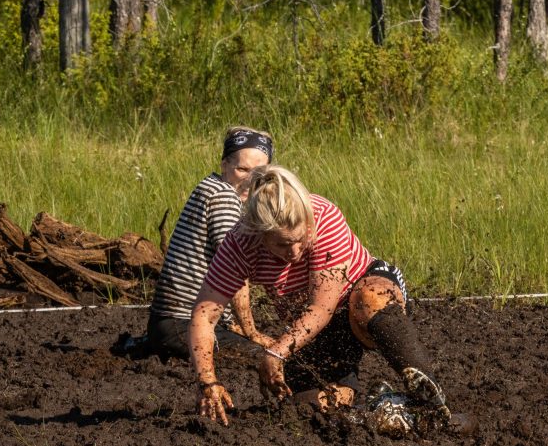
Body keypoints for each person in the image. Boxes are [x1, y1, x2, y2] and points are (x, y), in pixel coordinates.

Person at [189, 165, 454, 429]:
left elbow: (321, 308)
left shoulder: (323, 216)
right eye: (282, 244)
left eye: (300, 238)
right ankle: (380, 410)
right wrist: (207, 382)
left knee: (370, 298)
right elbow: (203, 315)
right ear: (260, 234)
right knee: (310, 412)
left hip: (358, 297)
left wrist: (276, 352)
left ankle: (432, 401)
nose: (295, 251)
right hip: (315, 329)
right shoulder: (239, 244)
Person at [120, 126, 275, 360]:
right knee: (262, 356)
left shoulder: (210, 186)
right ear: (224, 165)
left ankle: (148, 344)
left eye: (259, 172)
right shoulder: (224, 197)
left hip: (169, 322)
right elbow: (235, 268)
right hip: (183, 324)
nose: (250, 179)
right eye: (242, 169)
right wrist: (251, 332)